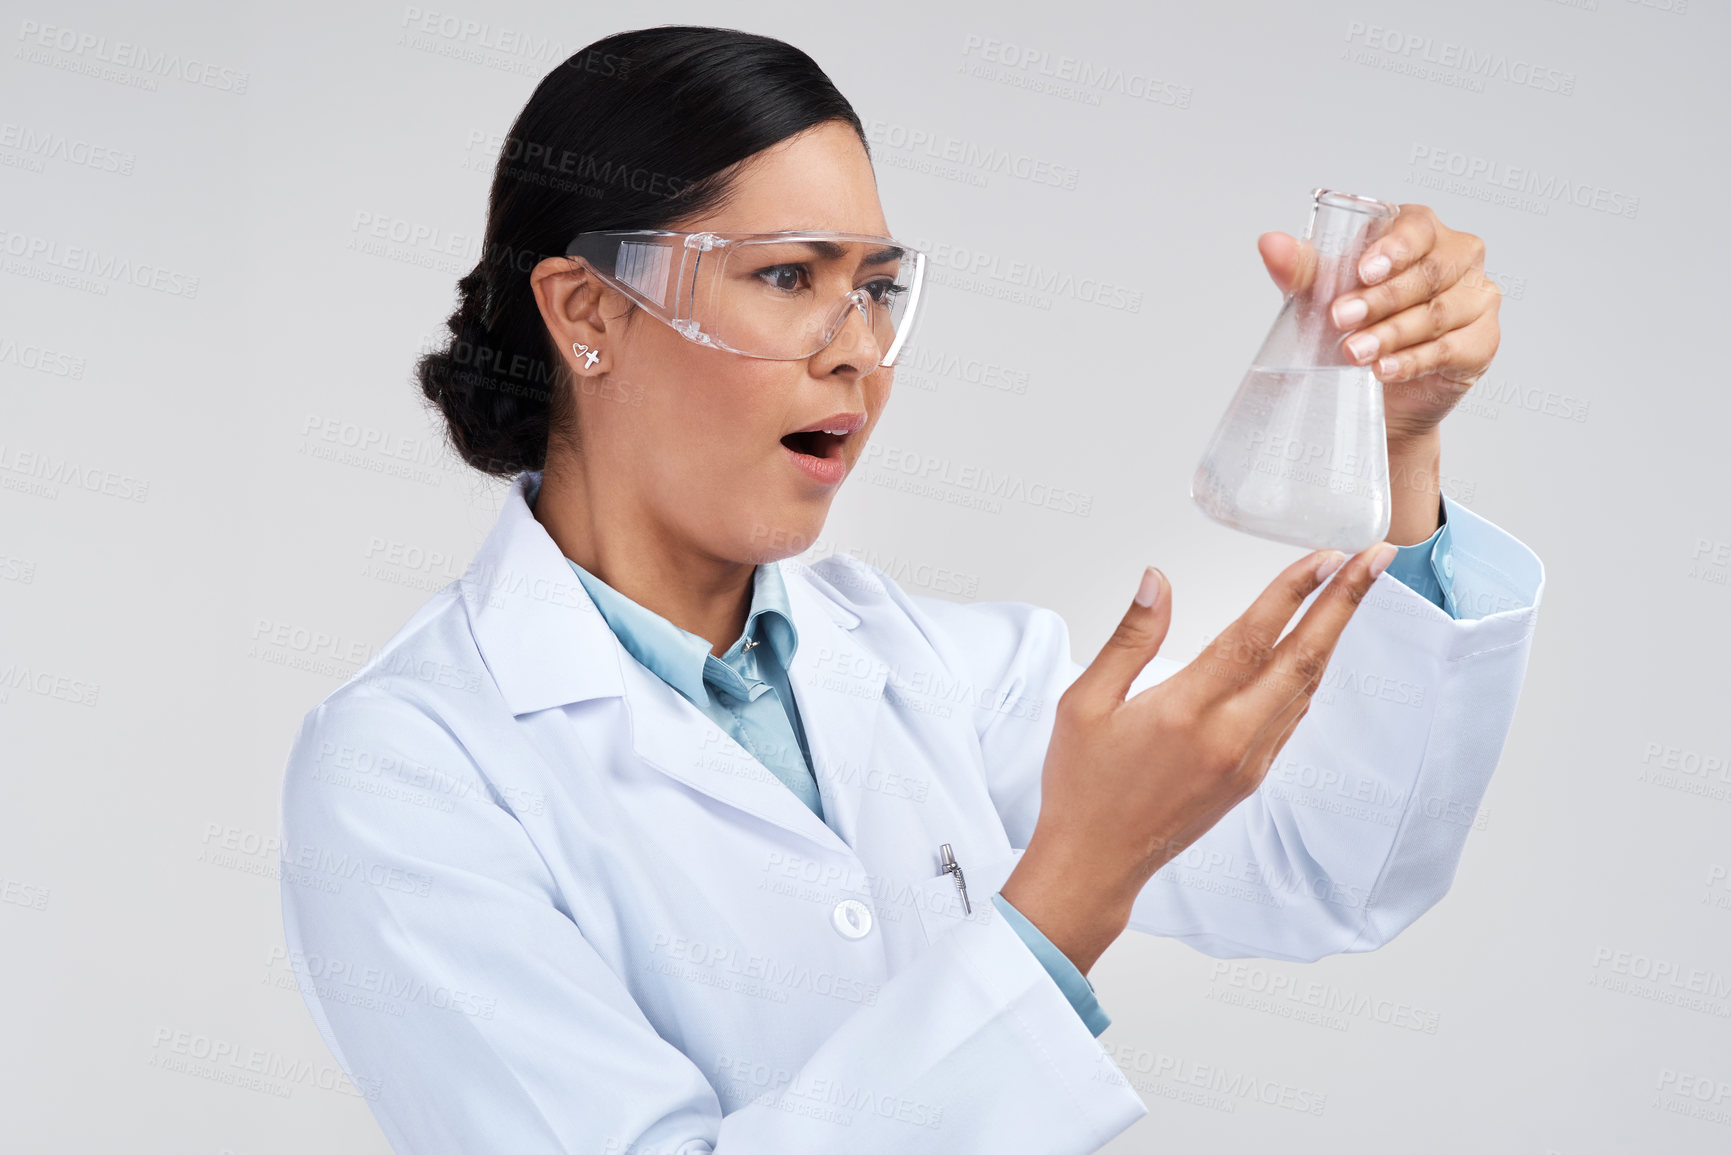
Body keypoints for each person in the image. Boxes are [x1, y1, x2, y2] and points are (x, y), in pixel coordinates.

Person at [277, 25, 1543, 1154]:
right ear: (587, 310)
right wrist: (1064, 898)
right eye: (788, 277)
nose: (860, 353)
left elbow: (1335, 869)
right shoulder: (411, 768)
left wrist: (1400, 445)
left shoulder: (940, 671)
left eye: (877, 288)